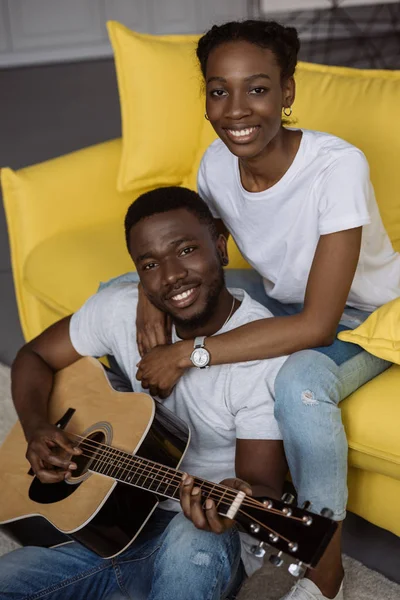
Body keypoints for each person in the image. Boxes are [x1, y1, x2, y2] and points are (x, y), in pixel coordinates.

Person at [131, 20, 400, 600]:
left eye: (256, 88)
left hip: (367, 313)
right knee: (126, 281)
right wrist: (139, 292)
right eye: (218, 90)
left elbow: (318, 326)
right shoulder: (214, 166)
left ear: (287, 92)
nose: (235, 110)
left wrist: (190, 352)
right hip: (285, 293)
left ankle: (320, 560)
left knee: (301, 380)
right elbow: (186, 242)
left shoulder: (336, 166)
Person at [0, 187, 289, 600]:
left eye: (187, 250)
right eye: (150, 264)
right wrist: (36, 428)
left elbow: (261, 487)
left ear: (222, 248)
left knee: (196, 543)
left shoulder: (260, 357)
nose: (171, 276)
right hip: (110, 524)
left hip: (197, 532)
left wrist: (235, 499)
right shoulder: (119, 310)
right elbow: (34, 357)